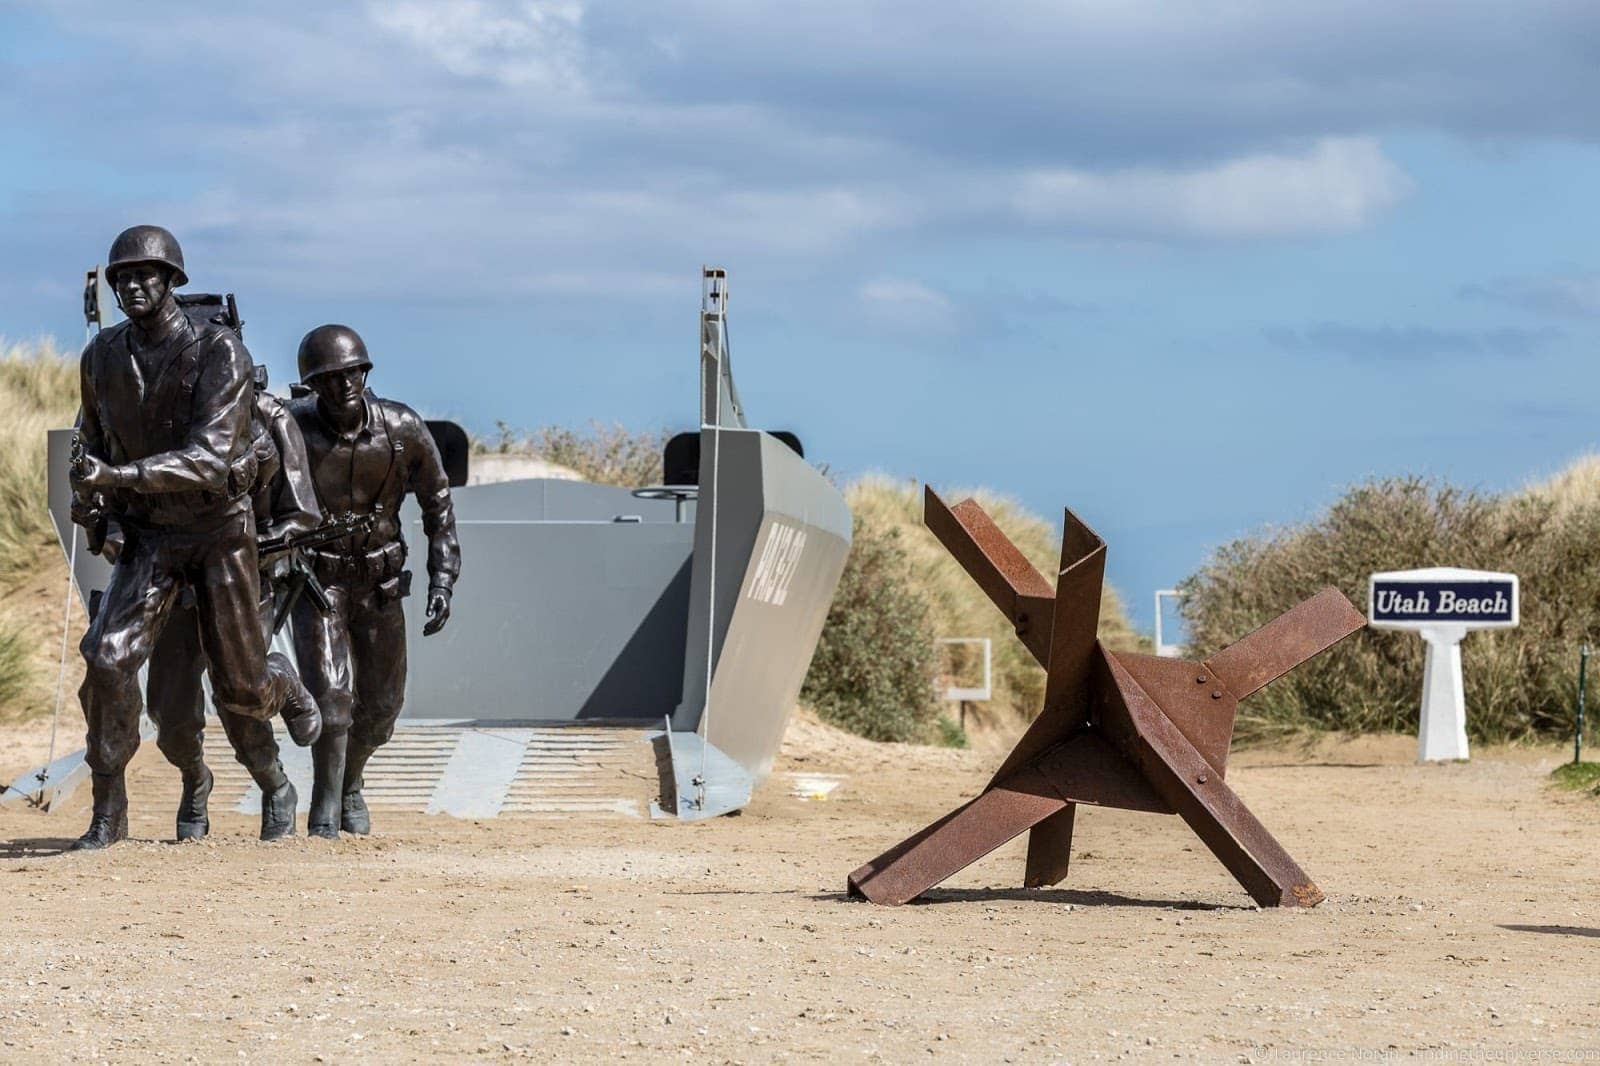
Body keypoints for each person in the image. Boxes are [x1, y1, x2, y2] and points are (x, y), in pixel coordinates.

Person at [69, 225, 322, 850]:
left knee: (241, 688)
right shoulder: (101, 355)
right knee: (106, 660)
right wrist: (90, 491)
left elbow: (210, 459)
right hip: (151, 537)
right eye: (120, 276)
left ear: (172, 281)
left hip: (217, 535)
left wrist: (119, 474)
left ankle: (282, 683)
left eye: (144, 275)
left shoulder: (219, 353)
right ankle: (109, 808)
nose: (131, 285)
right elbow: (92, 439)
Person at [287, 324, 459, 838]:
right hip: (319, 582)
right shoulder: (292, 428)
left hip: (382, 583)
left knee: (383, 708)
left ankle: (350, 783)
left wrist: (443, 578)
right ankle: (323, 807)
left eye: (355, 372)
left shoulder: (402, 428)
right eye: (332, 377)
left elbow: (438, 505)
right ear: (313, 384)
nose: (346, 385)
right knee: (332, 700)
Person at [145, 364, 322, 841]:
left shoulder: (269, 417)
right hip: (173, 586)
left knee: (239, 699)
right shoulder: (156, 422)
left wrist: (247, 546)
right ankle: (195, 780)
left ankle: (275, 786)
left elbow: (303, 514)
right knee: (169, 714)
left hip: (244, 584)